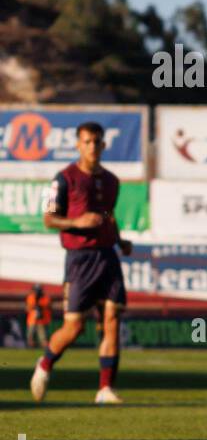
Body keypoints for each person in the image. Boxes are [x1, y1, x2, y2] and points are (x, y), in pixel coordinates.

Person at [30, 122, 133, 405]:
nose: (92, 146)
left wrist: (120, 240)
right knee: (74, 327)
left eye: (97, 142)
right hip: (80, 259)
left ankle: (104, 389)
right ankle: (45, 364)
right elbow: (49, 218)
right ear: (78, 145)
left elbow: (108, 216)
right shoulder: (63, 178)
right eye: (87, 141)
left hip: (107, 255)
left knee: (112, 318)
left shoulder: (112, 180)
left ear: (103, 145)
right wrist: (77, 222)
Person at [25, 284, 52, 349]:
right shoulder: (31, 297)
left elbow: (48, 306)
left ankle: (46, 351)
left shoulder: (45, 297)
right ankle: (30, 349)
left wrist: (40, 306)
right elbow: (28, 308)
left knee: (43, 338)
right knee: (30, 337)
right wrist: (35, 306)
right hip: (32, 320)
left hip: (42, 321)